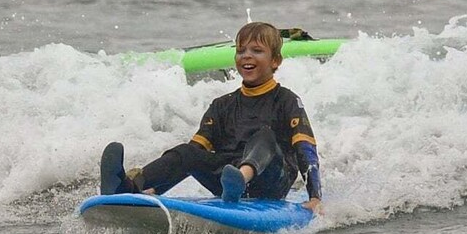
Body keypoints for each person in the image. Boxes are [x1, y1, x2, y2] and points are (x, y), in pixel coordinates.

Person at [100, 22, 322, 211]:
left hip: (271, 181)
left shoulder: (287, 101)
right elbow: (192, 156)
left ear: (275, 61)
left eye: (256, 50)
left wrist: (315, 198)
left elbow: (306, 150)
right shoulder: (222, 105)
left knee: (264, 136)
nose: (246, 55)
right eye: (241, 50)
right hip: (226, 183)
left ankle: (241, 178)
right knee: (187, 151)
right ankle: (127, 187)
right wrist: (157, 190)